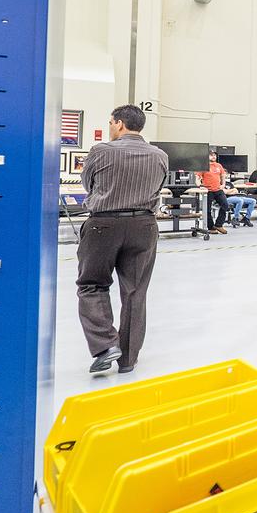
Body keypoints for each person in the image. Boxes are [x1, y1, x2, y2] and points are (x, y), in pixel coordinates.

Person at [76, 104, 168, 375]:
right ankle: (128, 359)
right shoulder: (160, 155)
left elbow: (87, 184)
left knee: (92, 284)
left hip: (103, 224)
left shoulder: (101, 151)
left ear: (118, 124)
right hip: (144, 226)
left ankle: (105, 346)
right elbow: (158, 187)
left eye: (110, 122)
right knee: (135, 292)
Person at [197, 150, 231, 235]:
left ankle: (218, 225)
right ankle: (211, 227)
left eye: (214, 155)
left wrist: (223, 184)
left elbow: (223, 175)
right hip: (208, 191)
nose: (213, 157)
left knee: (225, 205)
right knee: (207, 210)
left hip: (218, 189)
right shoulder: (203, 166)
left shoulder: (219, 165)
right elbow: (197, 177)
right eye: (211, 155)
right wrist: (199, 185)